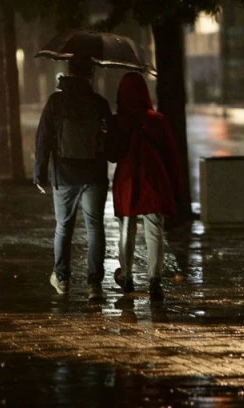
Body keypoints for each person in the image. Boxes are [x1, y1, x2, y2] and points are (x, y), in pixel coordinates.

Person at [33, 56, 115, 301]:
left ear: (68, 71)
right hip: (94, 174)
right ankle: (94, 285)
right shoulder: (99, 103)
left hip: (65, 174)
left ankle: (62, 278)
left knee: (64, 227)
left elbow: (44, 137)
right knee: (95, 227)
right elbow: (110, 141)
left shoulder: (56, 101)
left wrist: (40, 173)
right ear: (91, 75)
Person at [110, 72, 184, 301]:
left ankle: (127, 275)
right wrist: (178, 188)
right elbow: (171, 157)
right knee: (155, 231)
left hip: (128, 181)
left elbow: (112, 155)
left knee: (126, 229)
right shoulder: (158, 121)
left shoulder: (118, 121)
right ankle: (154, 280)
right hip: (155, 181)